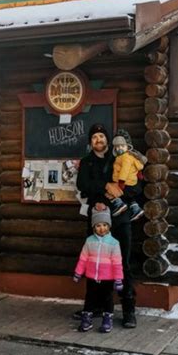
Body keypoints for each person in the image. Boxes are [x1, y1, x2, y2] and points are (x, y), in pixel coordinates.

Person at [76, 123, 137, 328]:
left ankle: (128, 311)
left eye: (102, 136)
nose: (98, 140)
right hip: (97, 221)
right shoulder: (86, 163)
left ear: (107, 140)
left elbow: (132, 186)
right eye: (94, 137)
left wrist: (115, 194)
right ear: (90, 141)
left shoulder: (119, 159)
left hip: (120, 219)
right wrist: (104, 186)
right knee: (96, 263)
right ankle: (96, 307)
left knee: (123, 264)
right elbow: (82, 185)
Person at [73, 206, 124, 333]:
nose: (102, 228)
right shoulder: (89, 241)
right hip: (91, 277)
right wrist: (78, 273)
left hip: (107, 278)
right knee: (90, 298)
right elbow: (83, 258)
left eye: (105, 225)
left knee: (107, 298)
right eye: (98, 225)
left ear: (109, 226)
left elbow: (117, 263)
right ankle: (87, 319)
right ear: (94, 227)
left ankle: (107, 319)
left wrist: (118, 279)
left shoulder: (114, 243)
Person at [107, 132, 145, 221]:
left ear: (127, 146)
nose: (119, 148)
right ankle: (136, 209)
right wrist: (139, 173)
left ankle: (119, 205)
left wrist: (121, 181)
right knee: (130, 198)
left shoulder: (124, 157)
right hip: (132, 182)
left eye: (122, 146)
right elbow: (139, 166)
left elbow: (125, 169)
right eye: (117, 147)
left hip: (125, 182)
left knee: (110, 192)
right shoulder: (131, 156)